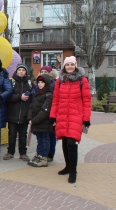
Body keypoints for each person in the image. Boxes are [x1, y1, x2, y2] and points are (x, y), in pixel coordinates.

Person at [50, 56, 91, 184]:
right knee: (64, 141)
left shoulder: (82, 81)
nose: (69, 67)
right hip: (62, 115)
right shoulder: (59, 81)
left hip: (75, 116)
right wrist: (53, 116)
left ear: (75, 66)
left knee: (72, 143)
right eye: (67, 65)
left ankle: (73, 171)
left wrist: (86, 119)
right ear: (64, 66)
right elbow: (55, 99)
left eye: (71, 65)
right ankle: (68, 167)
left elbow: (87, 100)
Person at [4, 63, 31, 161]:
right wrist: (20, 97)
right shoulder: (11, 82)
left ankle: (23, 153)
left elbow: (32, 98)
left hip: (24, 114)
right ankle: (10, 152)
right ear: (16, 71)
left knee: (23, 134)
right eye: (19, 70)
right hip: (12, 113)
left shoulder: (29, 83)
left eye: (23, 70)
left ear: (25, 72)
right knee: (12, 134)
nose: (21, 72)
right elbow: (8, 96)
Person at [27, 74, 53, 167]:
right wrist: (29, 118)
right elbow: (31, 106)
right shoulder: (37, 94)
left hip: (44, 123)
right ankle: (38, 155)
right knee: (39, 140)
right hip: (36, 123)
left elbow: (44, 111)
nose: (40, 84)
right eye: (39, 82)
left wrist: (34, 120)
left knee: (44, 140)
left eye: (42, 82)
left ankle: (43, 157)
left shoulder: (48, 95)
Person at [39, 65, 58, 162]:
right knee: (43, 135)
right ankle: (42, 153)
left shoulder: (54, 84)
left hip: (51, 113)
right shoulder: (39, 83)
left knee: (51, 135)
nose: (43, 73)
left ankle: (50, 154)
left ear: (50, 73)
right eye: (42, 71)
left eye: (45, 72)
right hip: (42, 113)